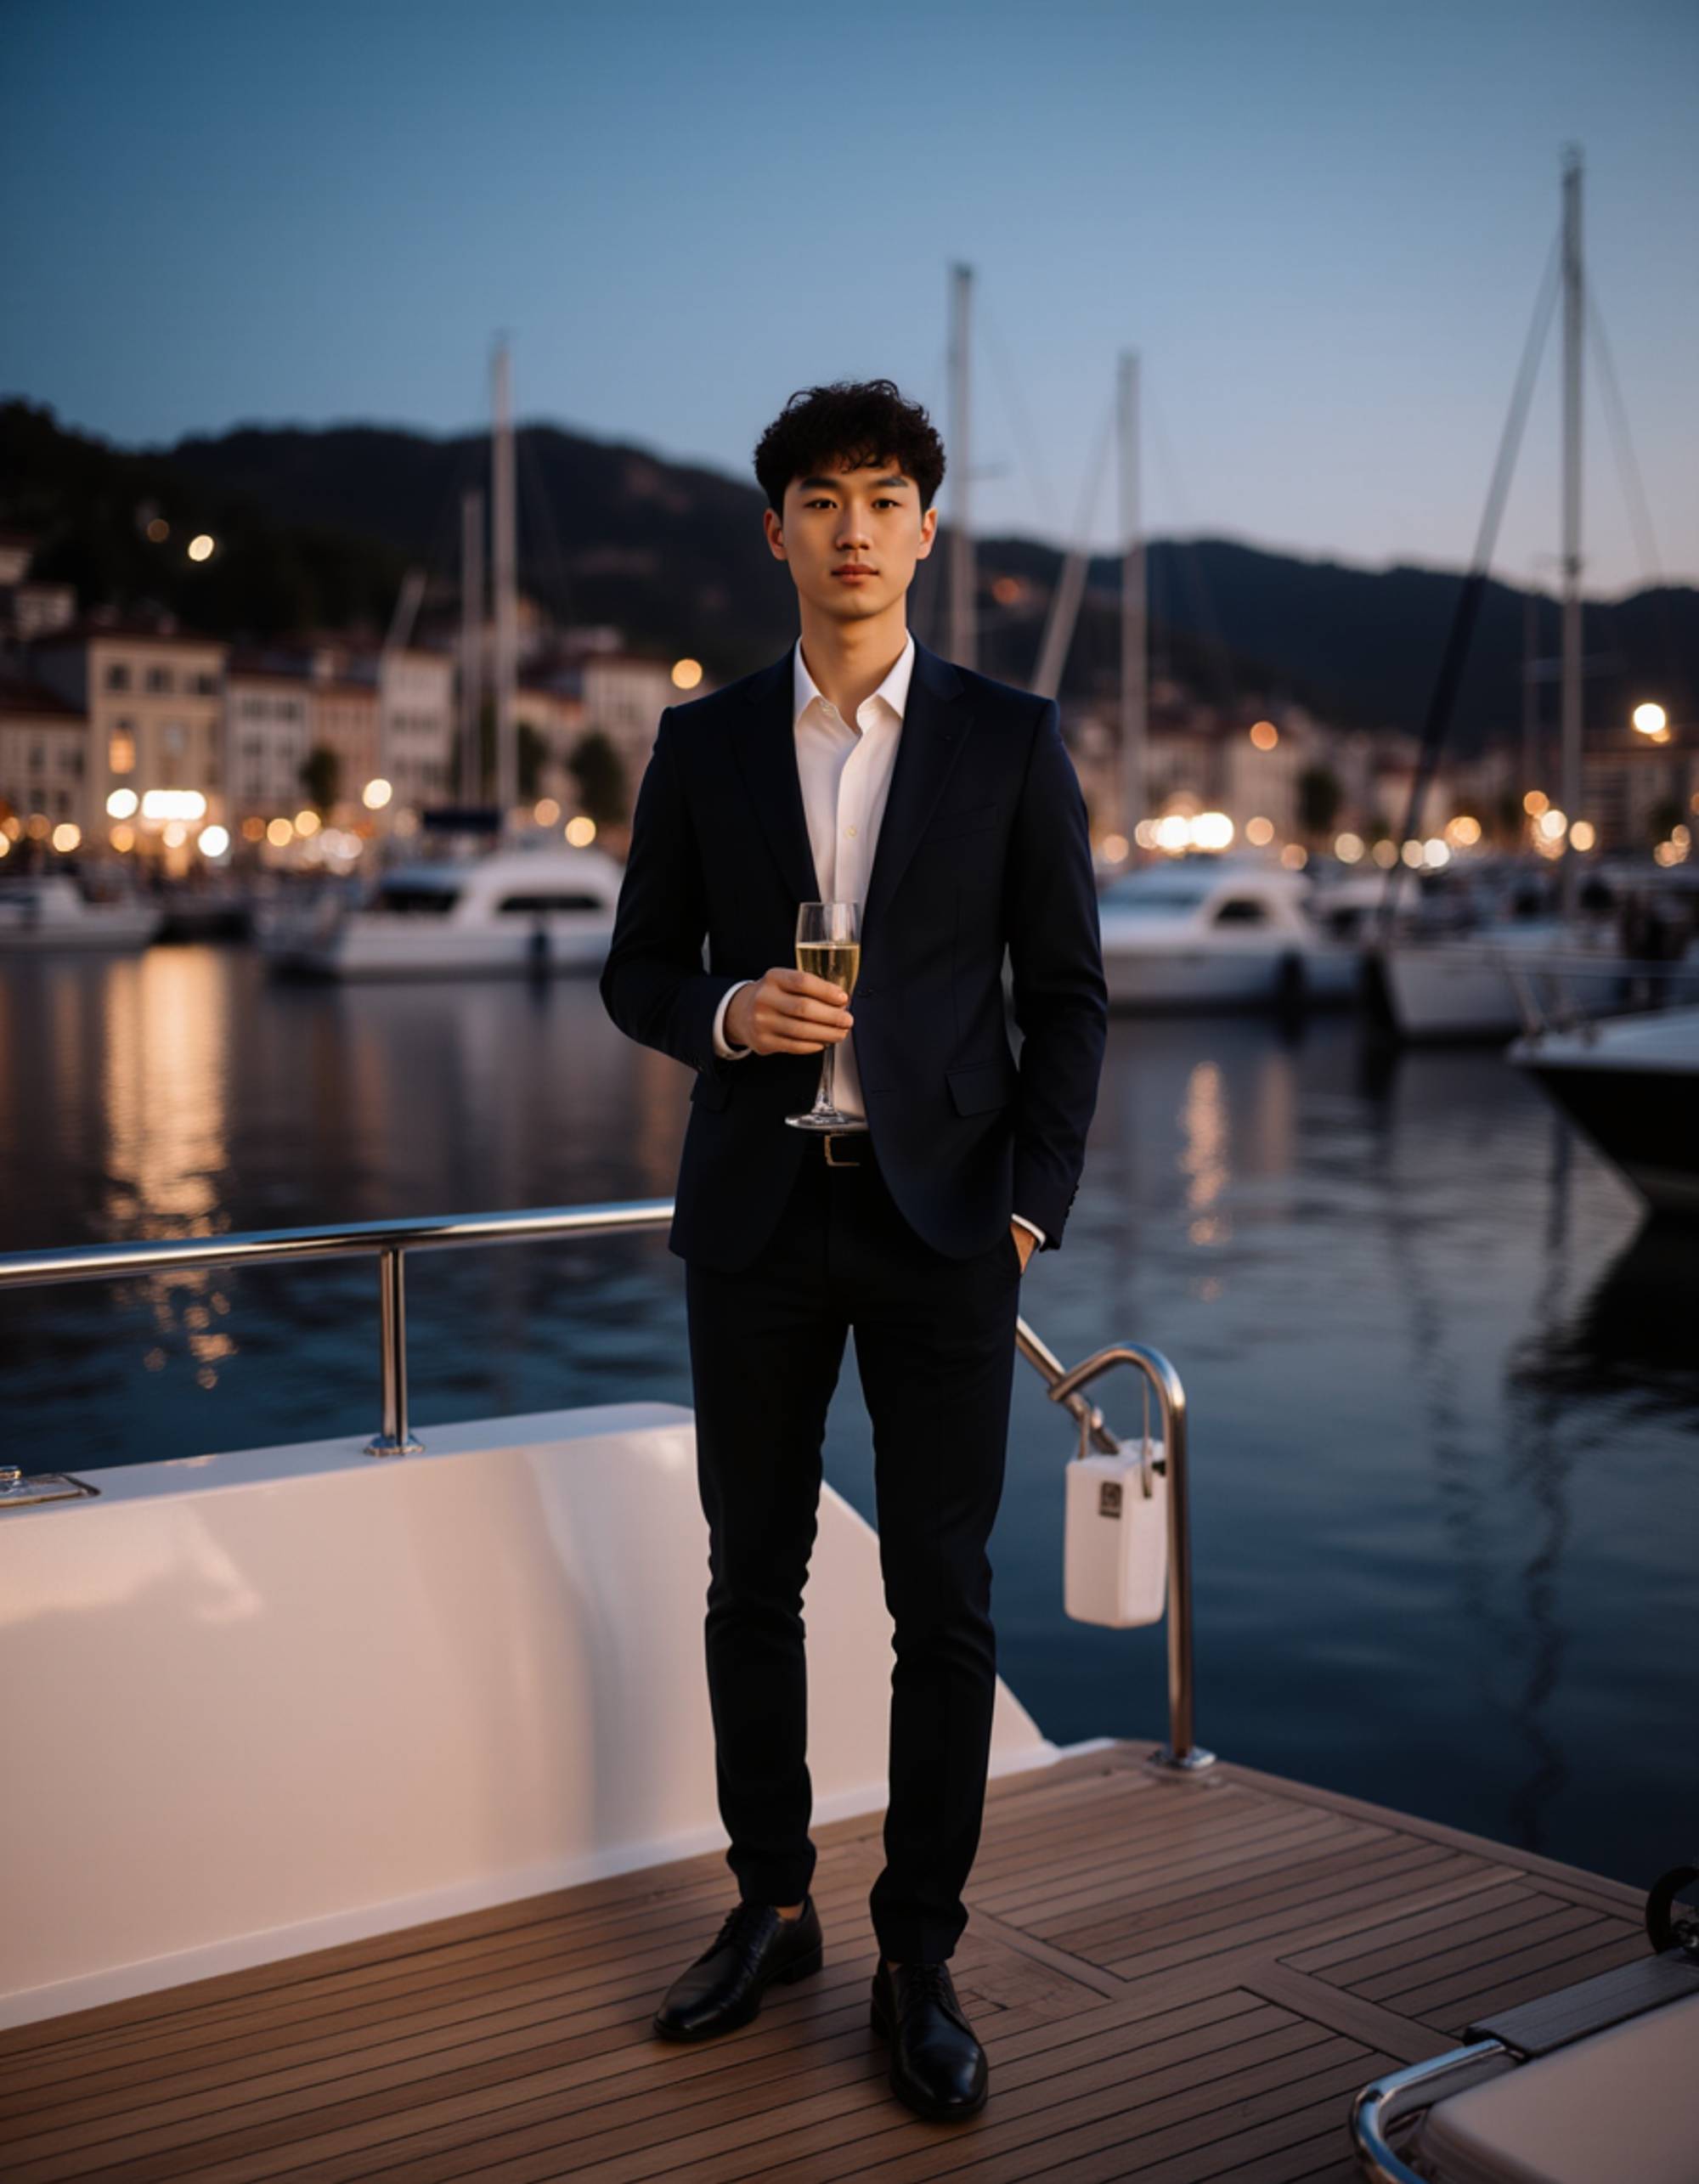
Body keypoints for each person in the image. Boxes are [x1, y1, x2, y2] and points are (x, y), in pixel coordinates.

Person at [599, 377, 1107, 2123]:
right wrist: (733, 1008)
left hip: (948, 1220)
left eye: (883, 498)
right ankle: (773, 1906)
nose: (852, 528)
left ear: (926, 529)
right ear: (776, 530)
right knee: (754, 1574)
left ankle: (918, 1950)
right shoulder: (702, 741)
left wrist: (1032, 1200)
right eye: (820, 499)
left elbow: (1071, 997)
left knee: (941, 1595)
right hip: (754, 1211)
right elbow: (635, 966)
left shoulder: (1009, 736)